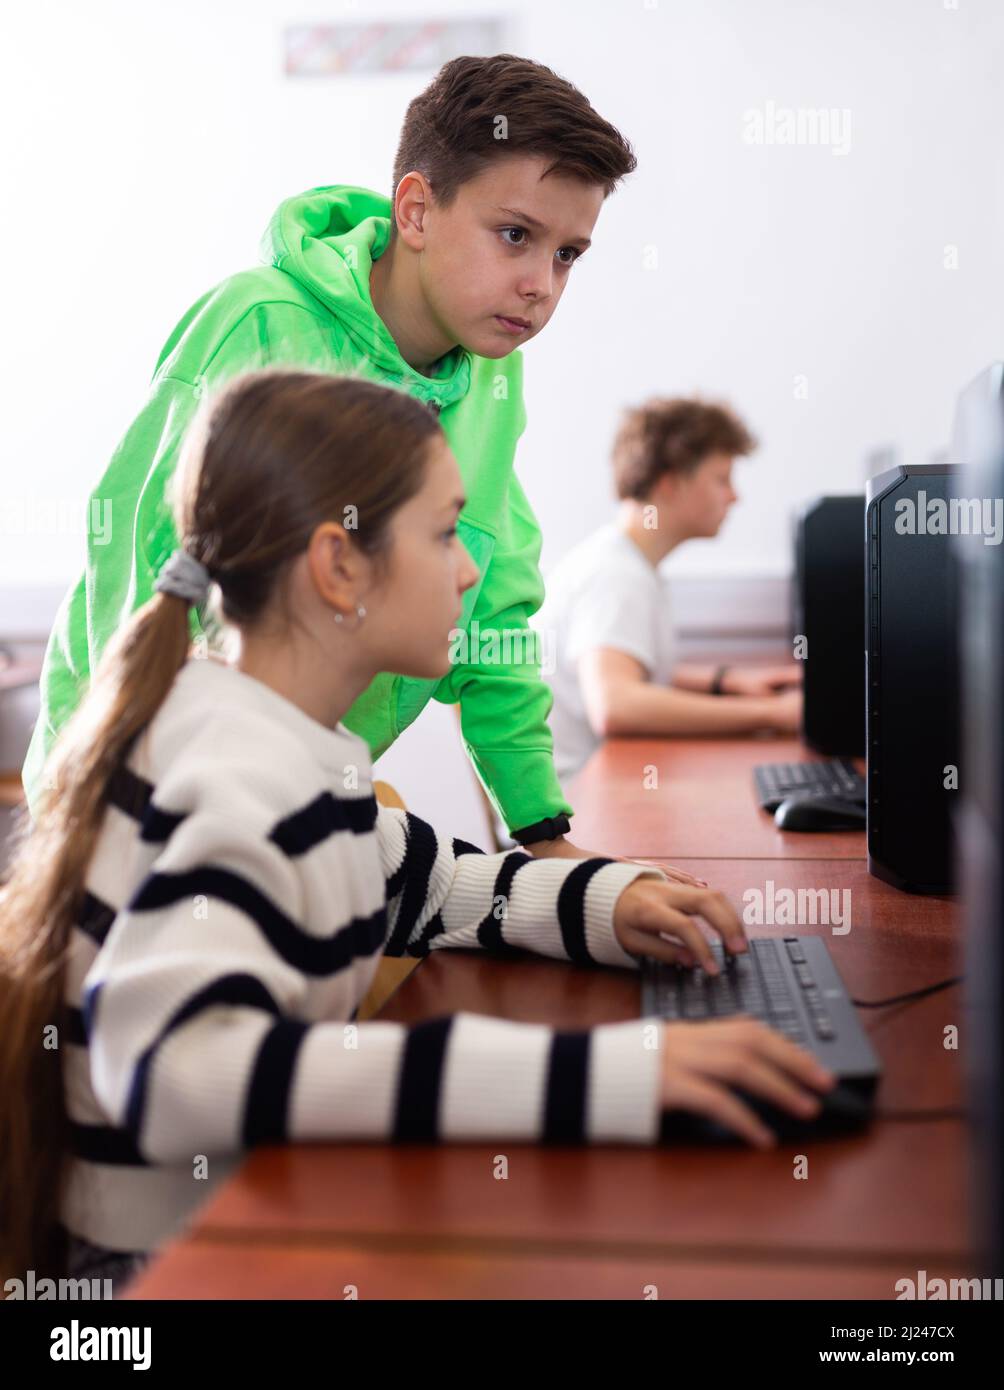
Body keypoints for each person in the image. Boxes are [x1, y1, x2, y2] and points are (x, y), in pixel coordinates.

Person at [0, 371, 835, 1293]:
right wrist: (603, 1076)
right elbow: (171, 1069)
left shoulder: (290, 736)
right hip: (167, 1273)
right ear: (338, 567)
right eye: (444, 535)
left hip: (235, 1221)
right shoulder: (234, 774)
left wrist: (608, 903)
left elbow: (426, 885)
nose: (471, 570)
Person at [24, 52, 652, 866]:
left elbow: (491, 604)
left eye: (568, 254)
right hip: (134, 806)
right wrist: (116, 803)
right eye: (515, 235)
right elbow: (135, 581)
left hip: (296, 811)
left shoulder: (492, 374)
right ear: (417, 212)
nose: (541, 284)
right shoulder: (257, 323)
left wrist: (541, 832)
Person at [534, 396, 803, 789]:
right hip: (581, 811)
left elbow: (633, 666)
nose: (734, 496)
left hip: (596, 792)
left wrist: (726, 681)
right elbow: (616, 704)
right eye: (722, 479)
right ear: (671, 483)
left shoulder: (625, 561)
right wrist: (772, 714)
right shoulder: (615, 575)